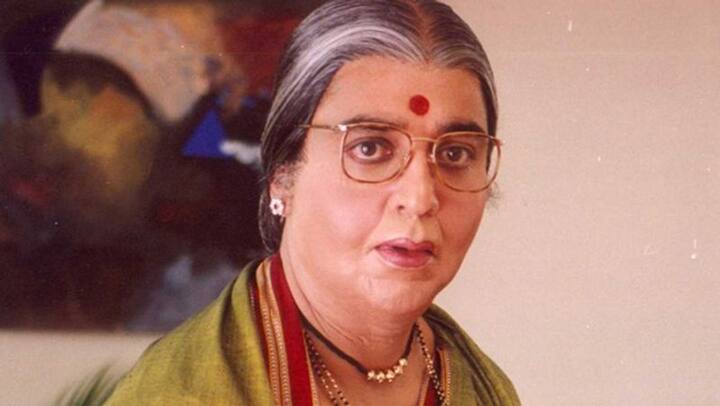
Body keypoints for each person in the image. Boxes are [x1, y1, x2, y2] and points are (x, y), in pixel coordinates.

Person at [106, 0, 520, 404]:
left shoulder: (479, 386)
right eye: (370, 148)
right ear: (282, 175)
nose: (419, 198)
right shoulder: (179, 394)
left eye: (455, 153)